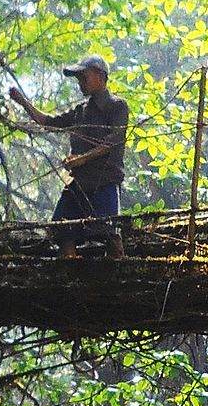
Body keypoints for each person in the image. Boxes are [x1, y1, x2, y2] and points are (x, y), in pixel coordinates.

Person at [9, 53, 129, 259]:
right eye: (79, 79)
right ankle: (69, 273)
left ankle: (118, 274)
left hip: (105, 180)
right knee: (64, 230)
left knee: (108, 232)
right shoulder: (80, 111)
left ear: (100, 77)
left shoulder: (117, 106)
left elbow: (114, 140)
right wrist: (23, 102)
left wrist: (83, 158)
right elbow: (47, 121)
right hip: (79, 183)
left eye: (84, 77)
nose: (81, 83)